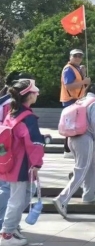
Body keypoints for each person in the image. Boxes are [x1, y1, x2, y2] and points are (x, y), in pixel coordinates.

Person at [53, 83, 95, 218]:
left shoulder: (80, 101)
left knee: (90, 168)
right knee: (81, 171)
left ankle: (89, 195)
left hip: (72, 138)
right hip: (85, 139)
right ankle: (62, 199)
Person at [0, 79, 44, 246]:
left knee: (23, 197)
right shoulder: (28, 117)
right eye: (35, 91)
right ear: (29, 95)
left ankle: (10, 229)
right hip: (22, 165)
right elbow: (34, 143)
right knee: (17, 200)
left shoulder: (11, 114)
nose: (38, 93)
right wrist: (37, 163)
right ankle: (7, 235)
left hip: (12, 162)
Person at [60, 49, 91, 158]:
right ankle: (68, 150)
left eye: (80, 56)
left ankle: (70, 149)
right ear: (70, 57)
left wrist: (83, 75)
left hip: (77, 100)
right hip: (70, 100)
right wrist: (84, 81)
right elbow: (68, 85)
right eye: (75, 56)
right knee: (70, 126)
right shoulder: (68, 69)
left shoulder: (77, 68)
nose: (78, 58)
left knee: (74, 125)